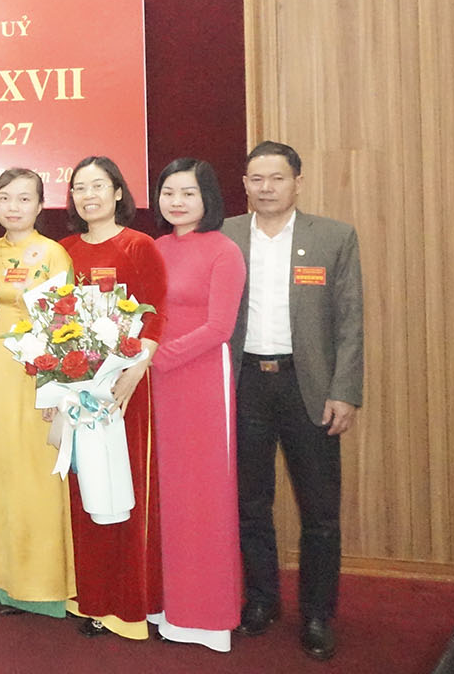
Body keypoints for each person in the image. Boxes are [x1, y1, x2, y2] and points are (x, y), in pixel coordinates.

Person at [224, 141, 363, 662]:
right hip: (246, 384)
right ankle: (261, 600)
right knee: (250, 504)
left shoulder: (333, 237)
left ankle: (318, 615)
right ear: (245, 184)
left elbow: (350, 321)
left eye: (277, 178)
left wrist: (345, 391)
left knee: (320, 511)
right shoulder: (225, 235)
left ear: (297, 182)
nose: (266, 188)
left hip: (309, 387)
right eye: (257, 179)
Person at [58, 155, 166, 640]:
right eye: (80, 188)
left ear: (118, 192)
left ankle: (124, 603)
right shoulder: (64, 250)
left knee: (122, 490)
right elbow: (53, 320)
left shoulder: (138, 245)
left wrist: (137, 368)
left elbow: (156, 314)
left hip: (123, 390)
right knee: (81, 491)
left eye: (98, 186)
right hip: (76, 390)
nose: (89, 196)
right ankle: (89, 597)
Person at [150, 158, 246, 651]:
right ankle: (166, 604)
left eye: (188, 192)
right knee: (164, 495)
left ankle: (205, 616)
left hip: (201, 381)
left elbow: (220, 327)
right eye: (168, 192)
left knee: (202, 496)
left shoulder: (225, 250)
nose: (177, 202)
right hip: (152, 381)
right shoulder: (156, 248)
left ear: (208, 197)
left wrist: (161, 356)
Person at [0, 168, 76, 618]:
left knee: (32, 479)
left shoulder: (52, 254)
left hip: (32, 380)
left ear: (40, 205)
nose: (13, 207)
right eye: (5, 198)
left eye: (24, 198)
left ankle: (38, 584)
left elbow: (64, 324)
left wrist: (56, 389)